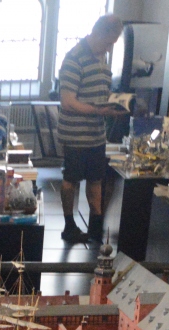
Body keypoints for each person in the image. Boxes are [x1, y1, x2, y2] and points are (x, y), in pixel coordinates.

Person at [56, 14, 126, 244]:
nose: (109, 48)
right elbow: (68, 102)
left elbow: (100, 93)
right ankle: (69, 226)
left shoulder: (102, 59)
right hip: (75, 135)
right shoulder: (74, 58)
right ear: (97, 33)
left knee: (96, 180)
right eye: (108, 42)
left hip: (96, 135)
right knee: (71, 180)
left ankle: (95, 228)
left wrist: (116, 104)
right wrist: (99, 110)